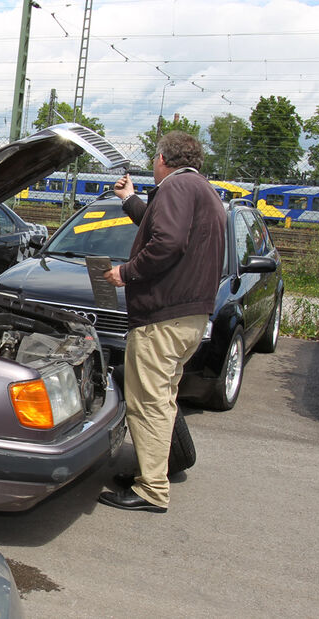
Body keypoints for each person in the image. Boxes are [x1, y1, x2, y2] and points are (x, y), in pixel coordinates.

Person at [98, 131, 226, 514]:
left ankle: (151, 489)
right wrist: (130, 200)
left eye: (154, 158)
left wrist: (127, 272)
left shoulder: (174, 188)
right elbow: (163, 229)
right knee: (164, 400)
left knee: (148, 403)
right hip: (190, 317)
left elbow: (167, 242)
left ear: (162, 159)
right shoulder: (202, 190)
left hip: (162, 318)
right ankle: (154, 471)